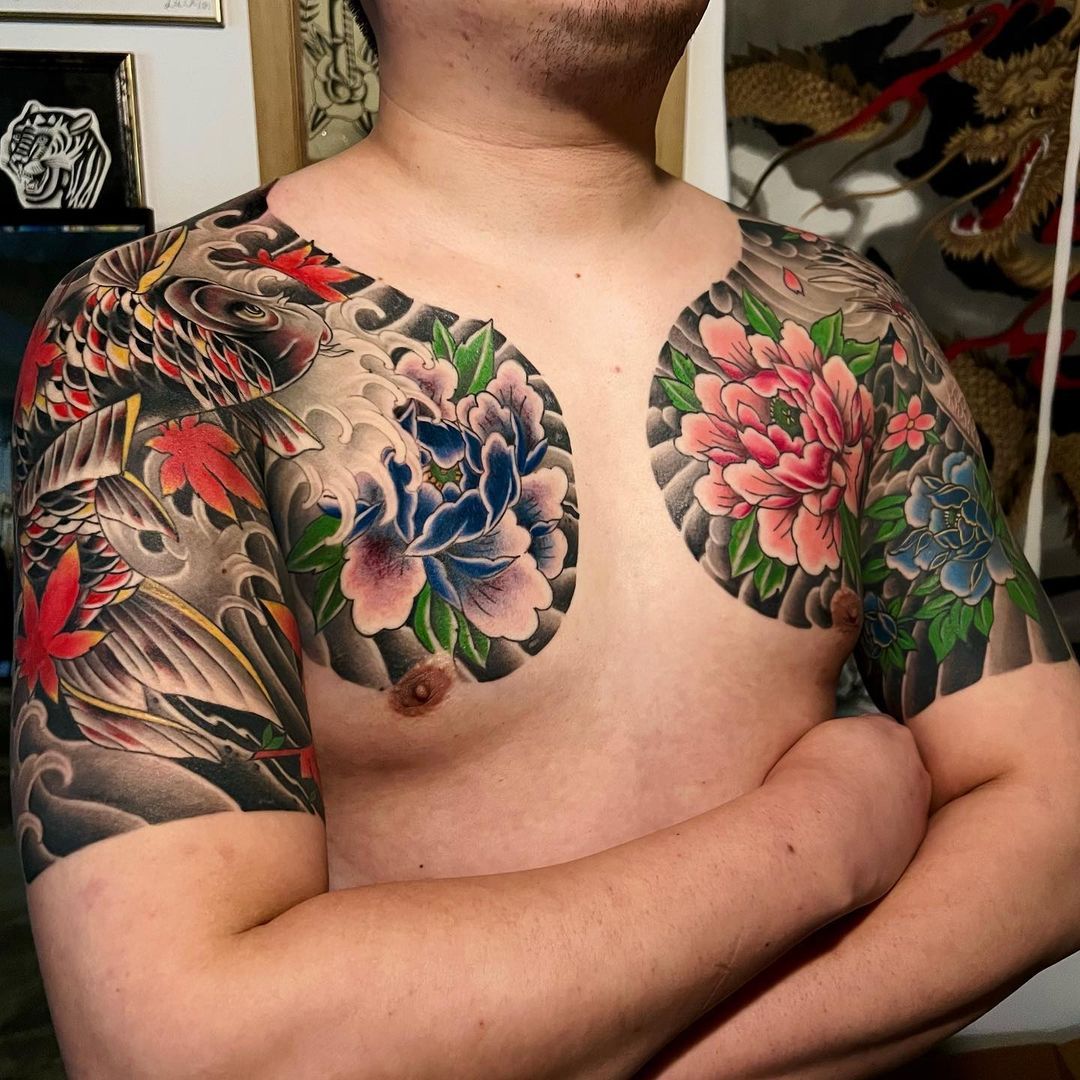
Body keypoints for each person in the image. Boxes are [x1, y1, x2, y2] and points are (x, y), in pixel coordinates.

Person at [11, 1, 1080, 1076]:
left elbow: (1057, 820)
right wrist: (818, 841)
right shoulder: (162, 334)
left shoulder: (850, 325)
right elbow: (189, 1044)